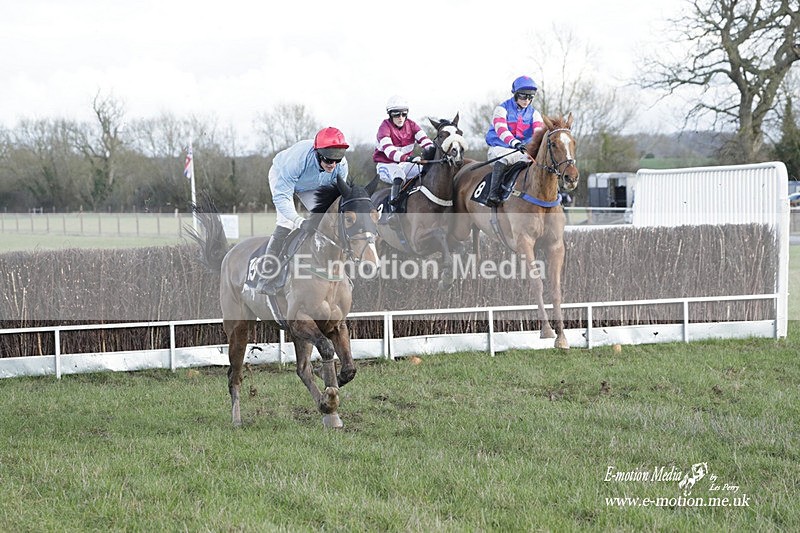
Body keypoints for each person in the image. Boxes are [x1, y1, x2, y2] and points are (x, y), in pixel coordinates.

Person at [256, 126, 350, 294]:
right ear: (318, 153)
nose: (333, 164)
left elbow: (337, 199)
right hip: (282, 177)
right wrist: (299, 221)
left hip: (311, 185)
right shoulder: (297, 160)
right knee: (286, 222)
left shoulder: (341, 165)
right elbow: (281, 197)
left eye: (336, 160)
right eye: (328, 160)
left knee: (327, 219)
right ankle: (266, 276)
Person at [484, 75, 545, 207]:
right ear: (516, 94)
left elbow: (538, 133)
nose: (527, 100)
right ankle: (493, 194)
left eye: (530, 97)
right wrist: (515, 143)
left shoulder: (535, 114)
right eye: (523, 96)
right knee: (504, 159)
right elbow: (501, 131)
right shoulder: (501, 109)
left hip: (522, 151)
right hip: (499, 148)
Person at [373, 95, 435, 213]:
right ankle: (394, 211)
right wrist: (410, 158)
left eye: (404, 114)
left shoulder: (412, 125)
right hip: (386, 165)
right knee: (399, 175)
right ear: (390, 114)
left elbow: (426, 141)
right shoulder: (384, 128)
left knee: (426, 171)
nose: (400, 118)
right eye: (396, 114)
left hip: (404, 163)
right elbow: (390, 152)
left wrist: (437, 152)